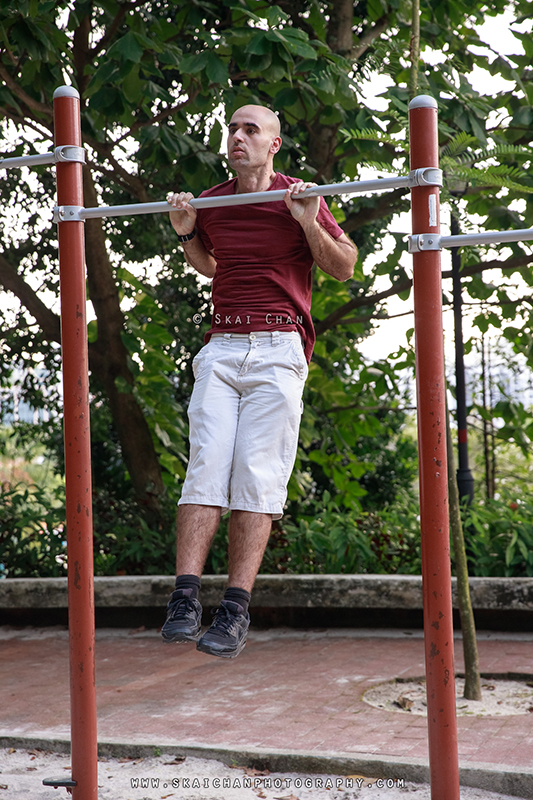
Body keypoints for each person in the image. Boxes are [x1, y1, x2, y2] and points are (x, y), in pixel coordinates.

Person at [161, 104, 357, 658]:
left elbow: (343, 265)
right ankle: (185, 598)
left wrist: (306, 221)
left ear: (274, 145)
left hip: (277, 348)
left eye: (251, 129)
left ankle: (235, 609)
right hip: (222, 345)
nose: (238, 136)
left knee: (255, 474)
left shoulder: (299, 195)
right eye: (233, 128)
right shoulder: (216, 202)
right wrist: (186, 235)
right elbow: (214, 266)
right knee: (206, 465)